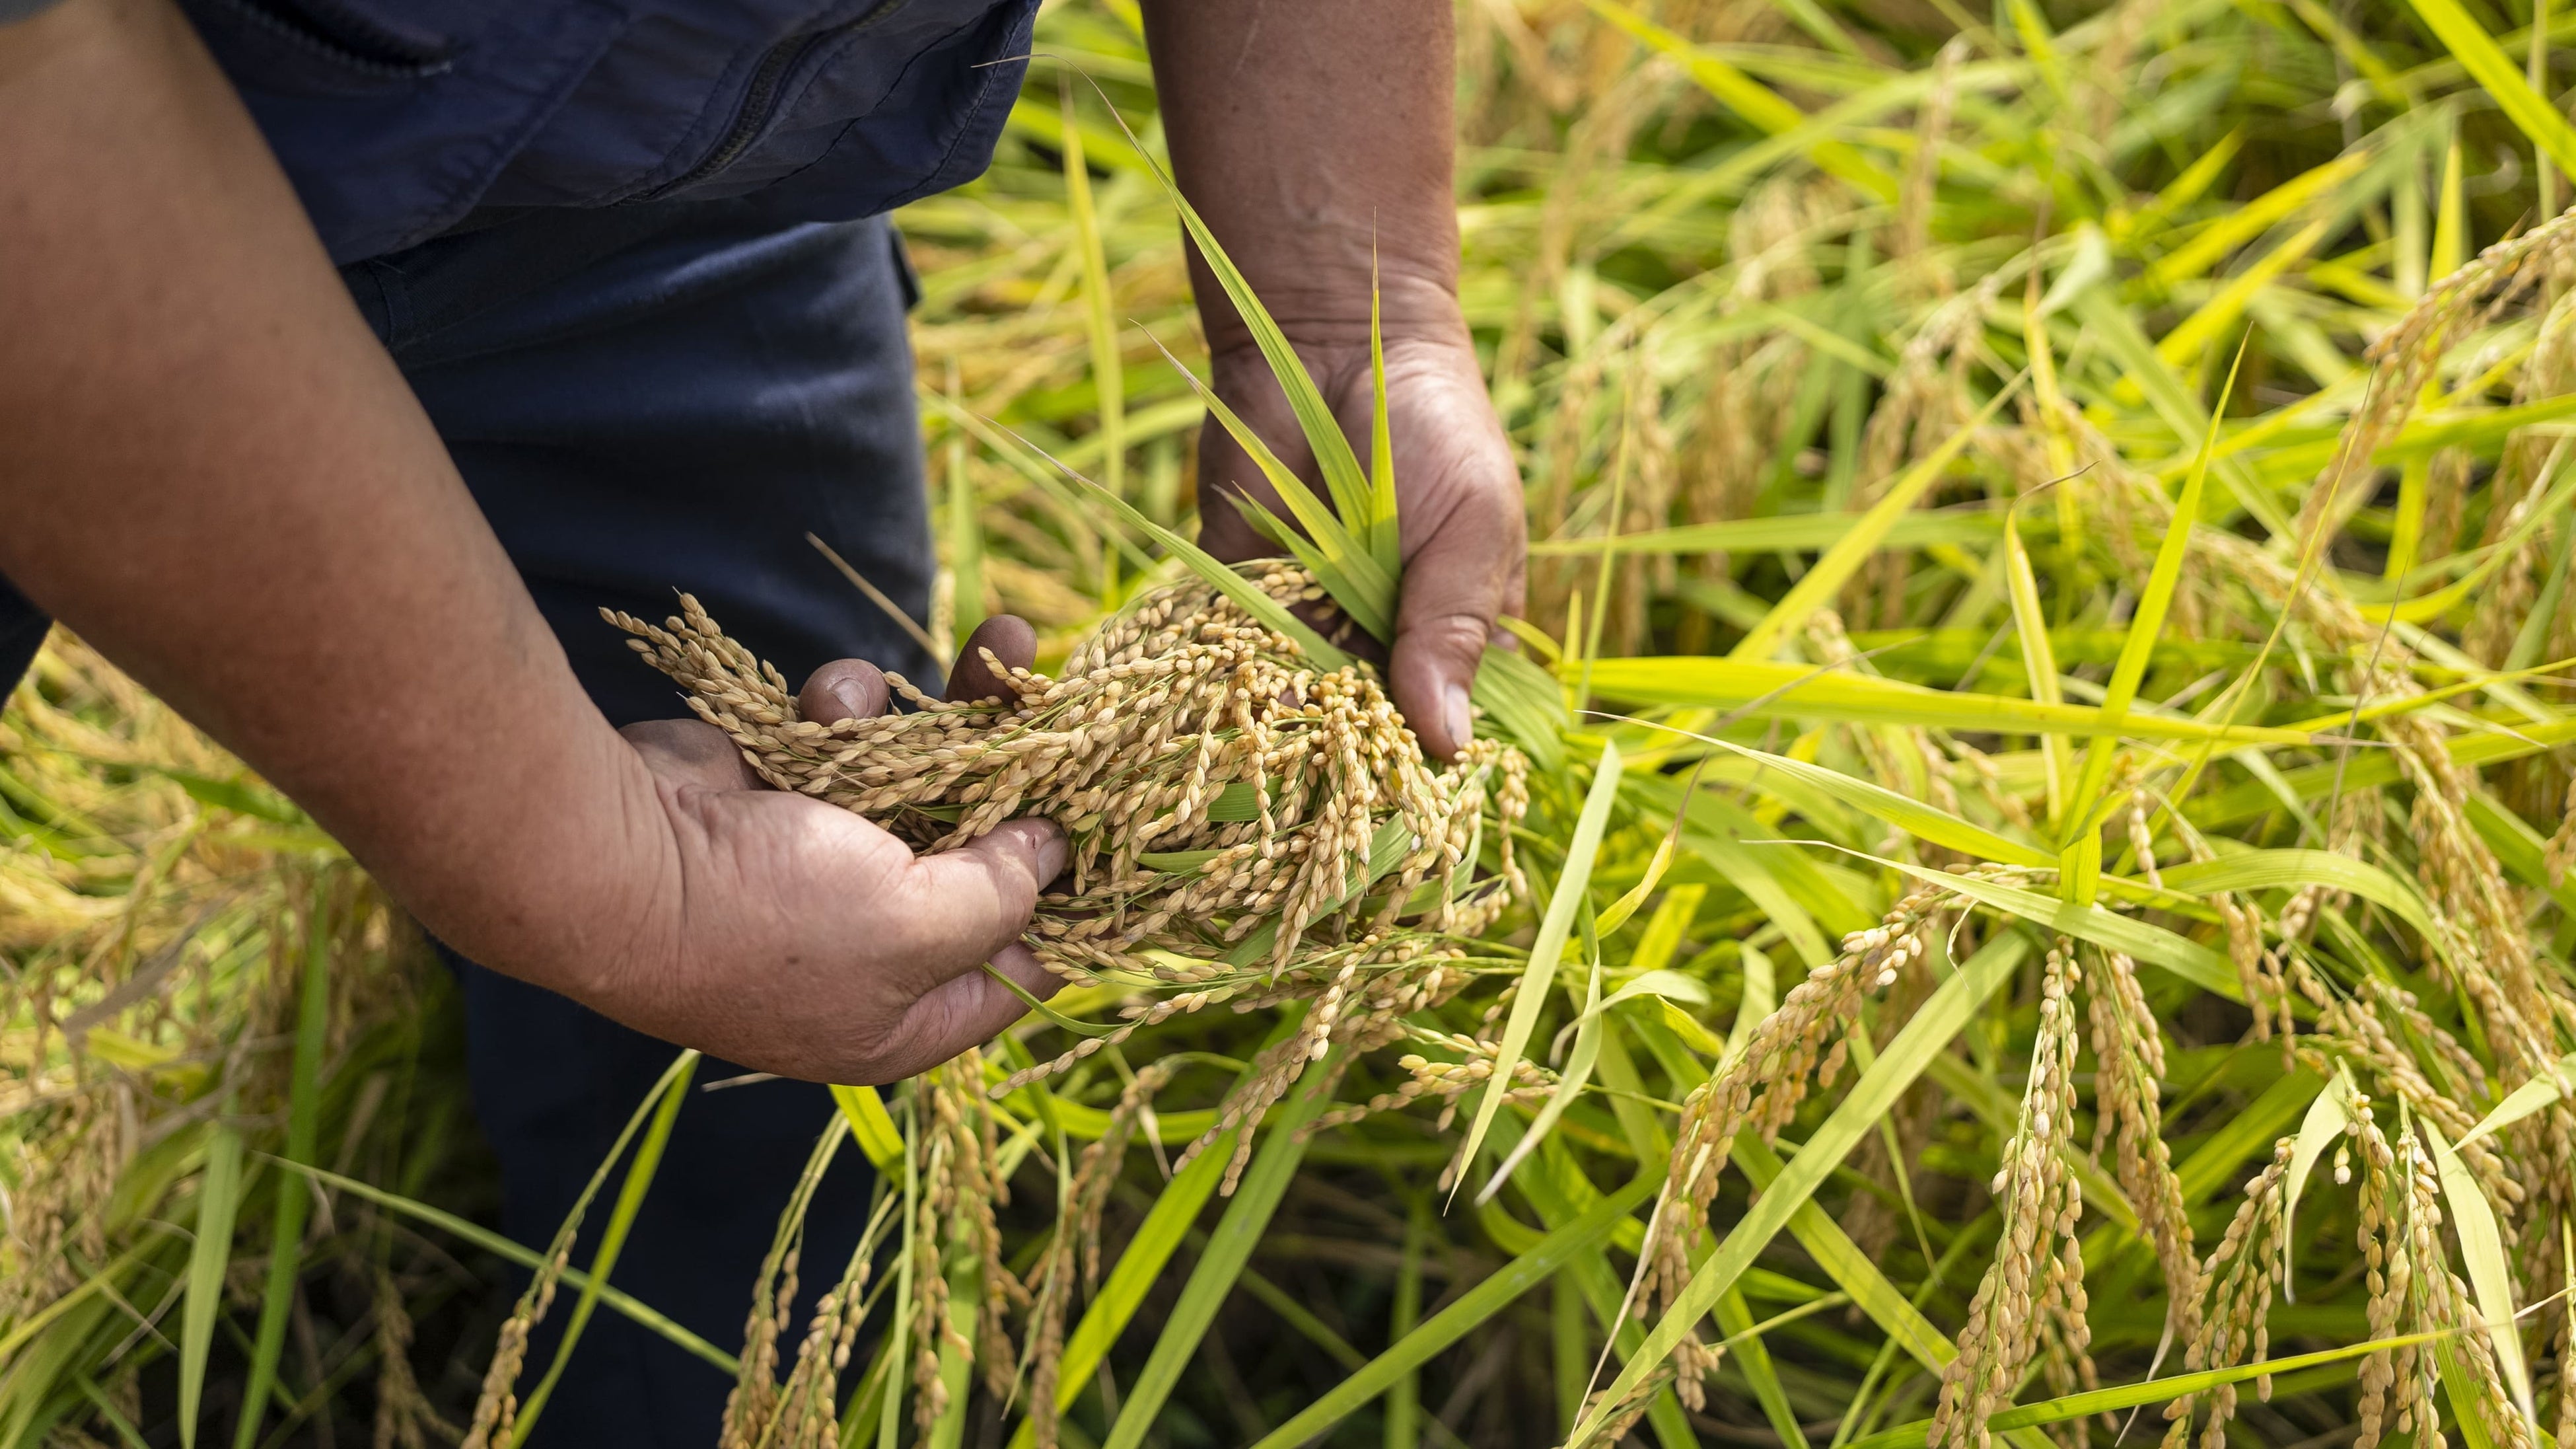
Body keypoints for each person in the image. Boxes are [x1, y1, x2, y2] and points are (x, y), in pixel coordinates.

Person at [0, 0, 1524, 1440]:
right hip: (65, 170)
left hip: (666, 173)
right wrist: (601, 875)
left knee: (778, 1036)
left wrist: (1345, 316)